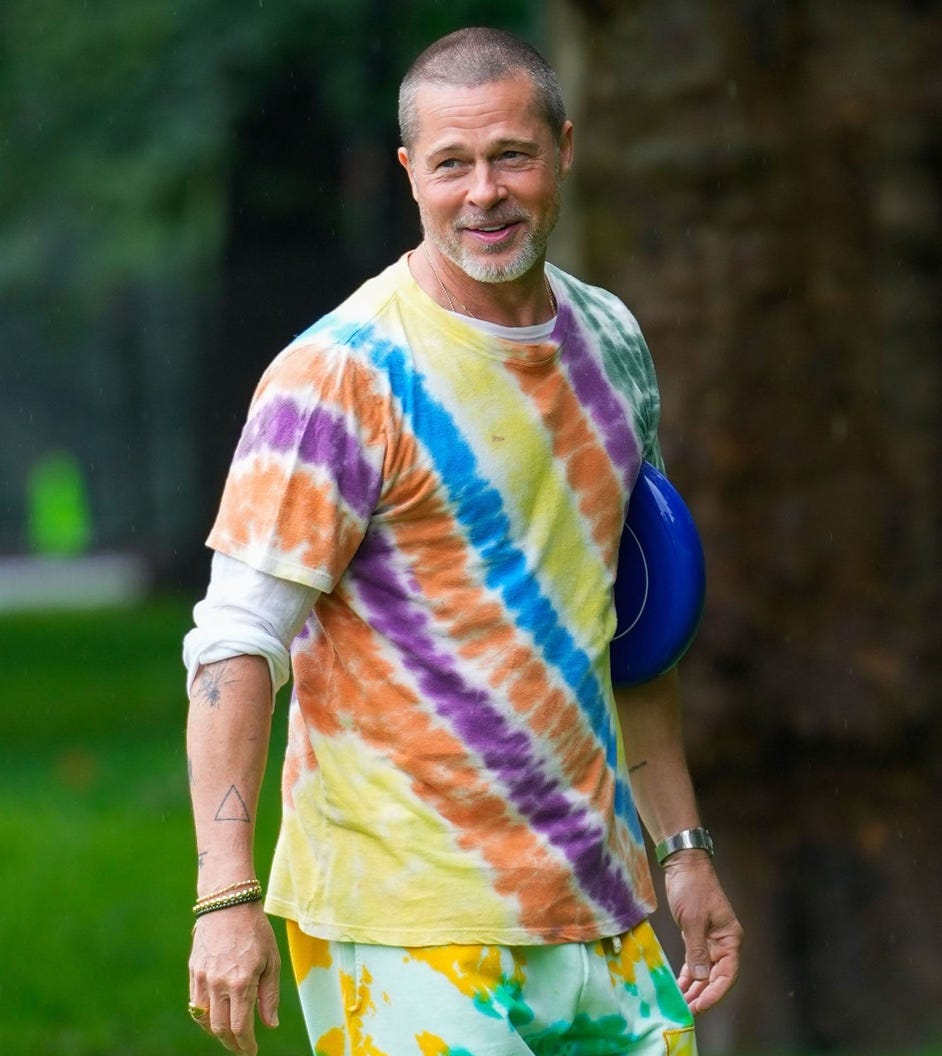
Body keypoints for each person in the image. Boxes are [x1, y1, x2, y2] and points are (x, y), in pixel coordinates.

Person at [184, 26, 742, 1056]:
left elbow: (635, 627)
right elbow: (233, 646)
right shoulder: (341, 376)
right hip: (405, 921)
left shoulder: (611, 343)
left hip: (600, 905)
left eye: (511, 156)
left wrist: (683, 847)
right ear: (411, 173)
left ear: (564, 149)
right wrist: (226, 897)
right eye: (452, 163)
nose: (483, 191)